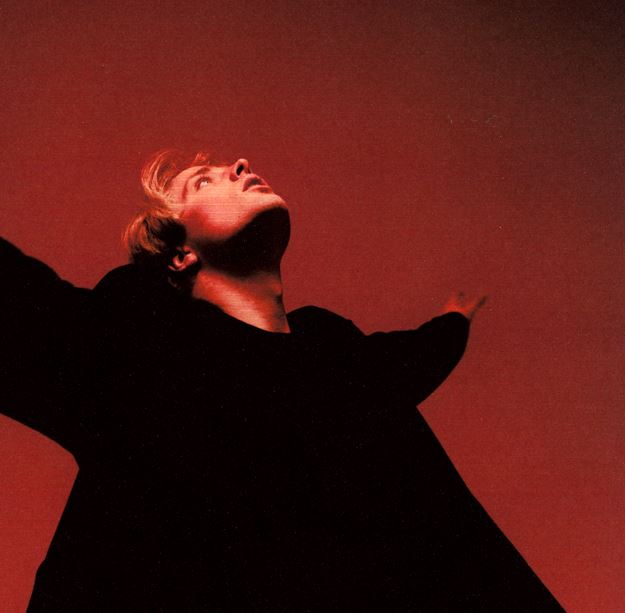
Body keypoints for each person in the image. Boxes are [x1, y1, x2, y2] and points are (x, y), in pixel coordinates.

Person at [0, 150, 562, 611]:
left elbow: (413, 357)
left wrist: (454, 321)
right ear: (179, 256)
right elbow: (29, 308)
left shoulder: (339, 360)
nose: (240, 164)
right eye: (204, 181)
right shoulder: (144, 347)